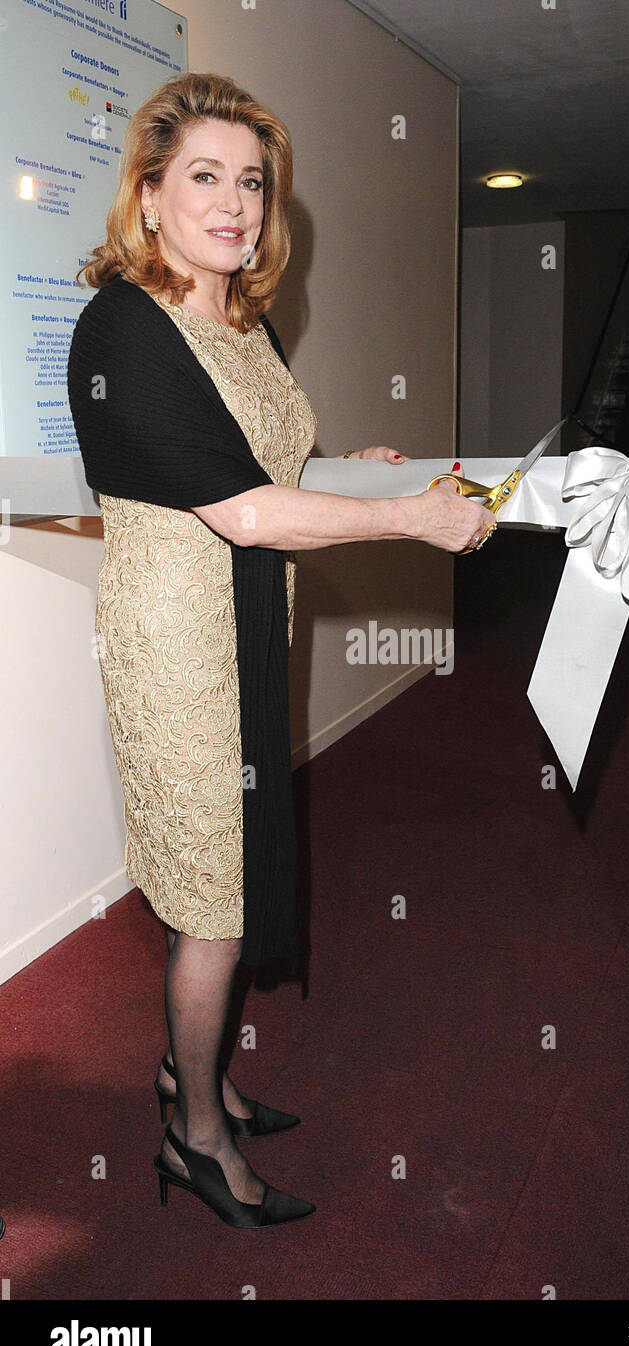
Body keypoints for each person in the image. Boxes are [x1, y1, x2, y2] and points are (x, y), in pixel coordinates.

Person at [66, 71, 493, 1231]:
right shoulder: (123, 326)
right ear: (148, 197)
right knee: (212, 901)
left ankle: (186, 1073)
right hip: (177, 642)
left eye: (249, 181)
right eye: (202, 176)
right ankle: (193, 1135)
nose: (234, 202)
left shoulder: (239, 320)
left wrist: (356, 467)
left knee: (237, 868)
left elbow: (270, 472)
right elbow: (244, 509)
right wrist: (410, 518)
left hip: (249, 620)